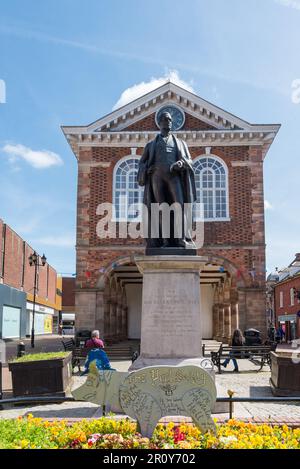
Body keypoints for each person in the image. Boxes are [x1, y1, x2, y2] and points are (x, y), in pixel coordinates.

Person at [137, 111, 196, 249]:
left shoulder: (180, 143)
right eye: (165, 119)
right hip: (157, 177)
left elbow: (189, 161)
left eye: (170, 120)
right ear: (160, 123)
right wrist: (146, 169)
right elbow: (141, 163)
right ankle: (165, 241)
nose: (168, 122)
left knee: (180, 206)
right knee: (161, 208)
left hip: (174, 176)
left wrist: (181, 163)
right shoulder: (151, 145)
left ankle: (181, 239)